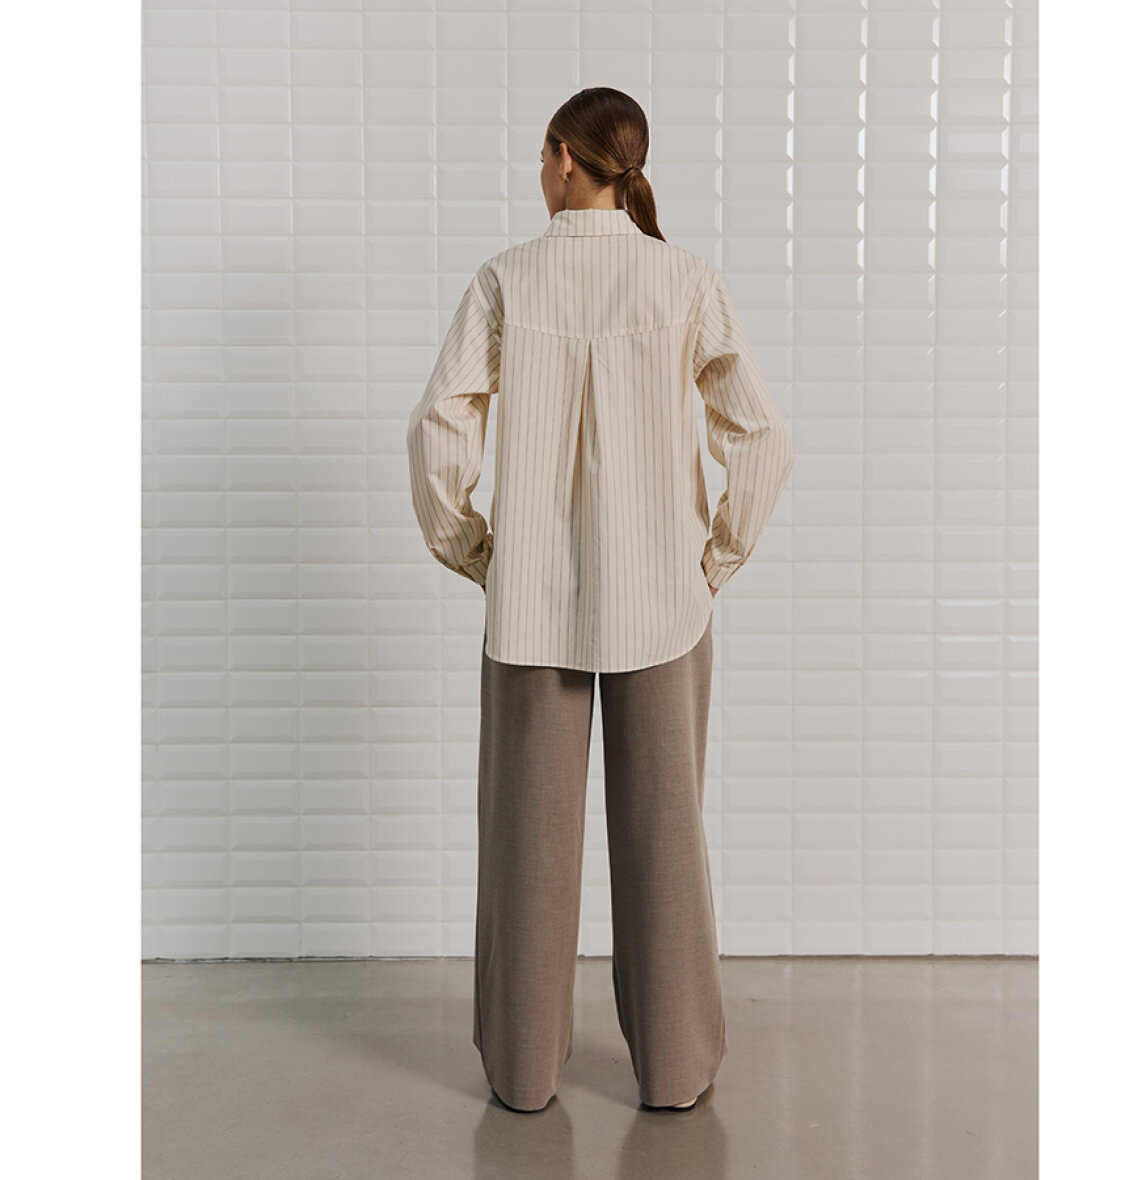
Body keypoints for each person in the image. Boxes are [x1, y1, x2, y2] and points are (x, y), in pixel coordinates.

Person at [406, 87, 794, 1114]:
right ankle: (674, 1070)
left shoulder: (506, 278)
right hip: (664, 603)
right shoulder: (683, 278)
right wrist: (714, 560)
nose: (538, 171)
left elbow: (439, 428)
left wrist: (476, 552)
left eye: (541, 156)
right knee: (667, 841)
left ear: (564, 160)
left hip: (530, 609)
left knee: (525, 849)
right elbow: (761, 435)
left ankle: (524, 1073)